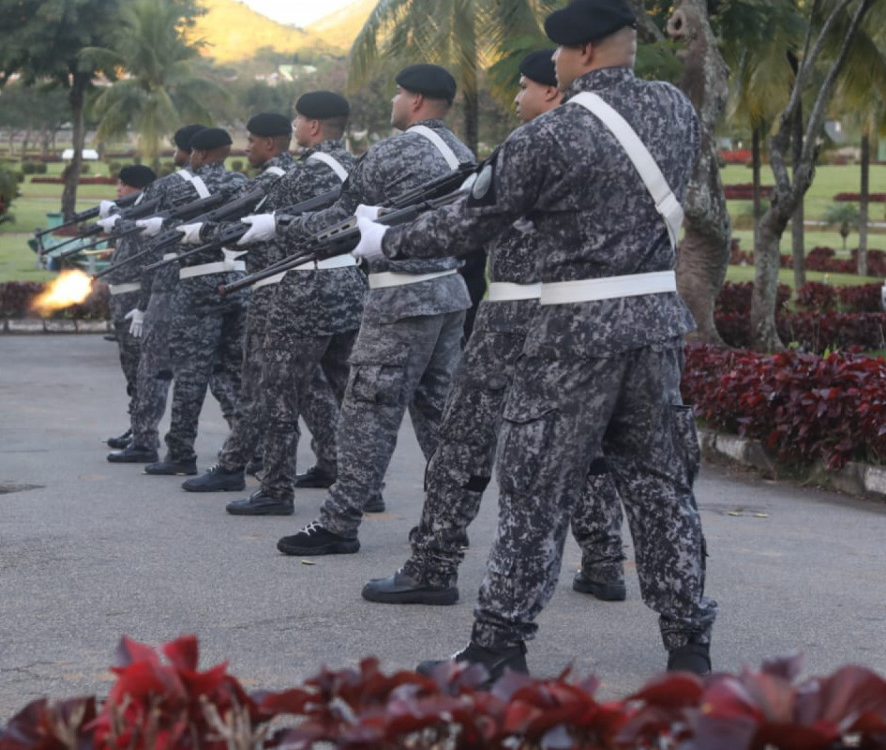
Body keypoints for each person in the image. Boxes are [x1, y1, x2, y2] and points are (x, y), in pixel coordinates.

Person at [355, 0, 717, 680]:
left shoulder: (549, 138)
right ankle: (689, 647)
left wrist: (387, 241)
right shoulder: (675, 109)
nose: (549, 65)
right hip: (654, 327)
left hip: (571, 336)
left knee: (535, 490)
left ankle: (497, 649)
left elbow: (471, 223)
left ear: (579, 55)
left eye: (555, 55)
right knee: (663, 489)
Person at [361, 49, 628, 610]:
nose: (517, 97)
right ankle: (603, 561)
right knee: (580, 440)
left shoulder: (535, 146)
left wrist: (384, 238)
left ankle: (433, 565)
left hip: (511, 319)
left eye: (527, 86)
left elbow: (469, 224)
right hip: (577, 320)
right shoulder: (609, 143)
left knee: (462, 445)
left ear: (552, 91)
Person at [238, 65, 473, 538]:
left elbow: (338, 221)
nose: (394, 103)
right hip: (450, 292)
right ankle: (449, 524)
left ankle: (338, 524)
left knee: (367, 414)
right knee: (436, 416)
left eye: (399, 94)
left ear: (417, 101)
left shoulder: (394, 150)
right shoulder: (462, 153)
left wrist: (276, 225)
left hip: (401, 297)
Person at [180, 94, 365, 514]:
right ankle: (362, 485)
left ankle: (276, 489)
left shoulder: (304, 174)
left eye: (300, 119)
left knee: (279, 392)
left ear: (313, 126)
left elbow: (254, 227)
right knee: (348, 395)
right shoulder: (356, 166)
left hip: (302, 290)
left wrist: (197, 234)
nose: (295, 126)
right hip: (347, 285)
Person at [137, 127, 249, 476]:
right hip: (240, 282)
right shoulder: (241, 182)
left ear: (196, 153)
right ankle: (248, 446)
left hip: (198, 285)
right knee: (233, 371)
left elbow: (141, 215)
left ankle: (181, 452)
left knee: (190, 373)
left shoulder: (174, 184)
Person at [106, 124, 207, 464]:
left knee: (153, 368)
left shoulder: (170, 187)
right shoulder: (231, 183)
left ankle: (147, 437)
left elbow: (148, 245)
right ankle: (149, 434)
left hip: (167, 289)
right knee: (217, 374)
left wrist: (143, 304)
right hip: (196, 287)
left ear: (192, 152)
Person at [104, 164, 159, 450]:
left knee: (140, 371)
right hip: (121, 303)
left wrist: (142, 307)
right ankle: (136, 426)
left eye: (123, 185)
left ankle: (144, 433)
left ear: (138, 188)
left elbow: (151, 265)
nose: (119, 189)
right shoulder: (132, 214)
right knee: (131, 370)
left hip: (134, 304)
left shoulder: (145, 218)